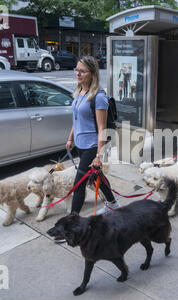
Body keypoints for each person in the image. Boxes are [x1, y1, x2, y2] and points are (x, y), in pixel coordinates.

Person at [66, 56, 119, 218]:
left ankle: (72, 223)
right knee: (97, 177)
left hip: (91, 147)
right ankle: (113, 204)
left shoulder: (99, 97)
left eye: (83, 71)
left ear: (93, 73)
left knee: (79, 185)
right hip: (80, 145)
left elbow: (102, 128)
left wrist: (98, 155)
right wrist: (70, 138)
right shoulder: (79, 93)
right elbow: (77, 119)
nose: (78, 73)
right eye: (77, 70)